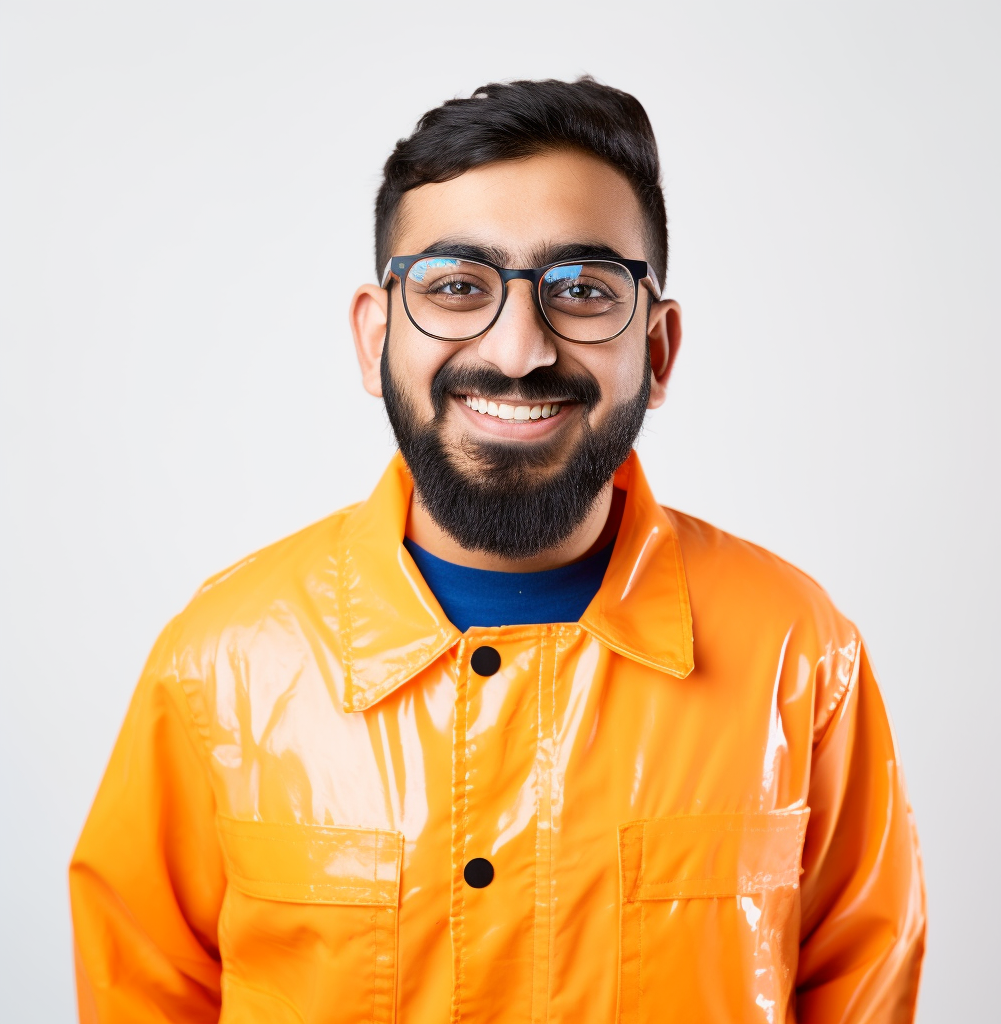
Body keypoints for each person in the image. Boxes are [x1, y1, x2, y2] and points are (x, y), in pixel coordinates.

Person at [70, 77, 926, 1024]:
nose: (519, 349)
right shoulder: (221, 660)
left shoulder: (798, 653)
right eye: (456, 286)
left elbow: (862, 988)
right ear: (374, 335)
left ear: (661, 345)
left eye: (585, 290)